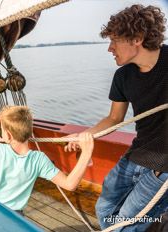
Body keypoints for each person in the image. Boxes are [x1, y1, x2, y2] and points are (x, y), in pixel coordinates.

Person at [64, 5, 168, 231]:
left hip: (163, 165)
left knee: (124, 225)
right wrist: (84, 135)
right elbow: (114, 118)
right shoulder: (123, 76)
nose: (110, 48)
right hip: (136, 154)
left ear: (137, 38)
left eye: (114, 41)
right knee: (104, 209)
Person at [0, 106, 94, 213]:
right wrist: (86, 152)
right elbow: (69, 185)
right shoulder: (39, 159)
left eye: (2, 129)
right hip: (13, 214)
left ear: (8, 135)